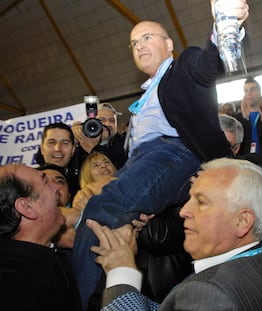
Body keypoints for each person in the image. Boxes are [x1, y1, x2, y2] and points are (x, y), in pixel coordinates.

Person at [72, 1, 248, 308]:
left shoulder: (182, 69)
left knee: (101, 211)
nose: (139, 46)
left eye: (147, 38)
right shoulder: (144, 99)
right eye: (133, 43)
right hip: (145, 162)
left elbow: (207, 65)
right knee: (102, 219)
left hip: (174, 150)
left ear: (168, 44)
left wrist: (226, 25)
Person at [88, 158, 262, 311]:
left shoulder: (210, 292)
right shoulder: (260, 259)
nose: (184, 211)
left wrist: (121, 271)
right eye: (189, 198)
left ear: (242, 221)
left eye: (201, 202)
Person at [0, 164, 82, 311]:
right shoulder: (13, 287)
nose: (57, 188)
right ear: (27, 208)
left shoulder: (53, 255)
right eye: (45, 182)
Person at [72, 102, 128, 170]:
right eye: (101, 120)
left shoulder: (125, 143)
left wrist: (93, 149)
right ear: (91, 123)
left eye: (112, 120)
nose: (107, 124)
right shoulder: (81, 145)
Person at [35, 122, 82, 198]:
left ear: (73, 150)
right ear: (42, 149)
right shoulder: (26, 182)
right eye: (51, 142)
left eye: (65, 143)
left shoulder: (83, 185)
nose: (58, 149)